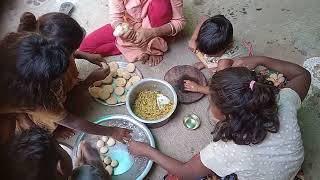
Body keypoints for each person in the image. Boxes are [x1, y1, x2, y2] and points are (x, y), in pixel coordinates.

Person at [128, 56, 311, 180]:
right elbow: (303, 74)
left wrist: (146, 150)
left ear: (229, 117)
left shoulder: (228, 150)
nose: (210, 103)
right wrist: (260, 59)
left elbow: (186, 172)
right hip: (290, 169)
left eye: (212, 101)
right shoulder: (283, 101)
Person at [0, 31, 131, 144]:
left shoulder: (20, 52)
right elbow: (72, 121)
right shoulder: (37, 101)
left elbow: (53, 51)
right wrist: (112, 132)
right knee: (32, 129)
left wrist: (83, 54)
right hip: (16, 106)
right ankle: (50, 134)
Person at [78, 0, 186, 66]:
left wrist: (153, 33)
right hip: (129, 23)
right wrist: (120, 28)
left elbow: (179, 22)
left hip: (156, 23)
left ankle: (154, 46)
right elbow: (116, 17)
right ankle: (144, 47)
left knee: (161, 5)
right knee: (85, 48)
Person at [6, 127, 111, 180]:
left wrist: (76, 166)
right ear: (60, 167)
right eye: (60, 148)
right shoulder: (88, 175)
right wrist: (97, 165)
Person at [185, 15, 253, 94]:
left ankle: (212, 65)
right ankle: (210, 62)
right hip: (223, 54)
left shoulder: (224, 62)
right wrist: (193, 38)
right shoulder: (219, 30)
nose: (205, 54)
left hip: (235, 62)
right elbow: (204, 17)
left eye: (211, 55)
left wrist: (197, 88)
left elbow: (219, 90)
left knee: (217, 78)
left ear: (229, 45)